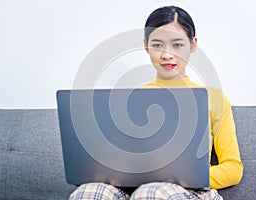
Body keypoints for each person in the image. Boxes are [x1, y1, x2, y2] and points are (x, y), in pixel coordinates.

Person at [69, 5, 243, 200]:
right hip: (135, 191)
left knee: (151, 192)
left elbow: (234, 168)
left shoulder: (214, 98)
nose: (167, 55)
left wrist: (183, 177)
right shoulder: (131, 100)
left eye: (177, 45)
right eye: (158, 45)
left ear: (192, 45)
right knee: (89, 192)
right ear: (146, 46)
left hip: (193, 191)